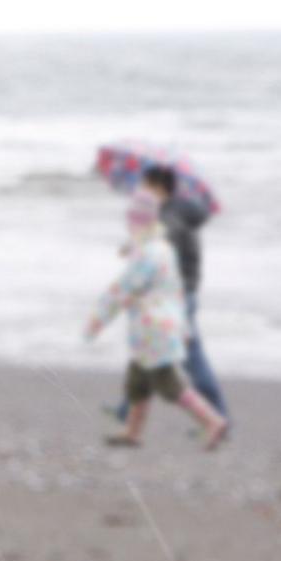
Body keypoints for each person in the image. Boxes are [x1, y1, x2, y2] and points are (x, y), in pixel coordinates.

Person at [88, 191, 228, 449]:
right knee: (137, 383)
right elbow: (175, 290)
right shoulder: (161, 249)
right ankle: (132, 432)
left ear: (138, 221)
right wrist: (184, 327)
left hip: (153, 331)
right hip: (157, 330)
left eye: (132, 220)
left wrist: (98, 319)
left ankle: (212, 421)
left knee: (171, 387)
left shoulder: (147, 254)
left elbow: (123, 288)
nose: (129, 225)